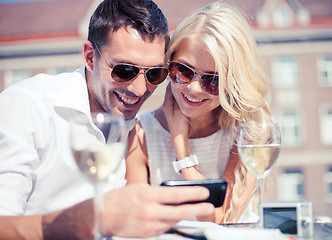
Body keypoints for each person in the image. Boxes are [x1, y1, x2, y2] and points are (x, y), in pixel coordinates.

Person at [0, 0, 214, 239]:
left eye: (155, 74)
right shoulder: (26, 106)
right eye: (124, 70)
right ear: (90, 57)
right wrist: (88, 221)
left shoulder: (134, 126)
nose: (140, 89)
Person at [125, 1, 273, 224]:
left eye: (212, 80)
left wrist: (181, 146)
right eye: (182, 71)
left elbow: (218, 219)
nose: (193, 88)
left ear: (233, 81)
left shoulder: (247, 133)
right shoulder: (140, 135)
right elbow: (136, 223)